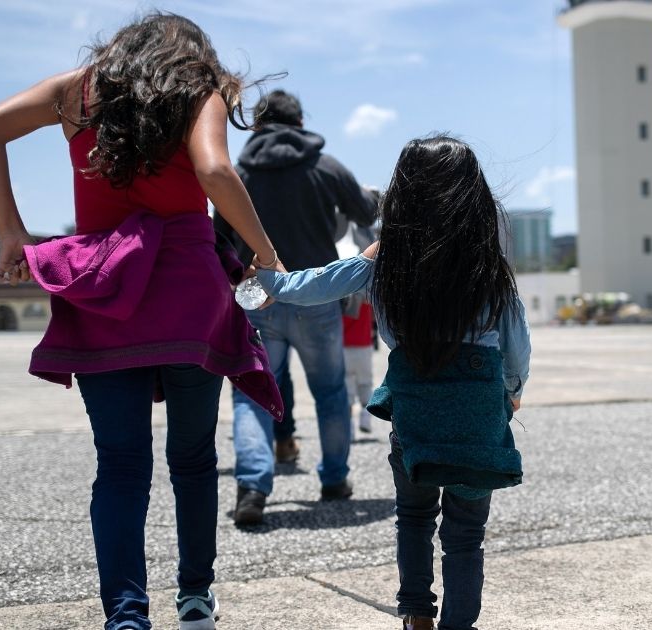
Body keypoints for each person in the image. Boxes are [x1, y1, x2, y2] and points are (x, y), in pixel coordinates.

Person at [0, 13, 284, 629]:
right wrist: (265, 254)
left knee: (119, 463)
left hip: (105, 287)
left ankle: (126, 615)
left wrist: (11, 233)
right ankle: (194, 598)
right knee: (192, 459)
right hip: (190, 289)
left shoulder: (76, 90)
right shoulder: (199, 88)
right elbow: (216, 171)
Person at [257, 135, 531, 630]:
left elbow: (317, 284)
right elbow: (517, 341)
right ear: (472, 195)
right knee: (467, 533)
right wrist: (510, 392)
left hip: (414, 406)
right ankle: (458, 624)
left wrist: (271, 280)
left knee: (415, 516)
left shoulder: (386, 259)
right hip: (479, 408)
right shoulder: (487, 264)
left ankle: (416, 615)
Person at [213, 89, 378, 526]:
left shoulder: (240, 173)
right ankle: (335, 479)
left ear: (258, 124)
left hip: (259, 299)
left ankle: (252, 488)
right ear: (300, 121)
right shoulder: (326, 165)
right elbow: (363, 211)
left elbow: (220, 239)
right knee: (329, 391)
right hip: (318, 296)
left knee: (252, 395)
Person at [343, 295, 377, 435]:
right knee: (365, 382)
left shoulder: (341, 300)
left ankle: (349, 426)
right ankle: (365, 417)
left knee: (347, 385)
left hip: (343, 346)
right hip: (363, 345)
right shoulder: (365, 298)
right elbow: (374, 317)